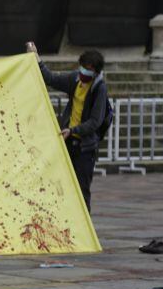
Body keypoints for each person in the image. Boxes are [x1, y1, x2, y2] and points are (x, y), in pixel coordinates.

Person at [25, 42, 108, 211]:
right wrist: (35, 56)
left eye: (88, 69)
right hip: (68, 143)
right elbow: (51, 79)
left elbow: (95, 121)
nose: (84, 72)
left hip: (85, 148)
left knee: (81, 191)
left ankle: (84, 225)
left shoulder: (99, 89)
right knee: (62, 187)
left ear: (96, 72)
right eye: (83, 67)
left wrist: (73, 130)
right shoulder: (75, 79)